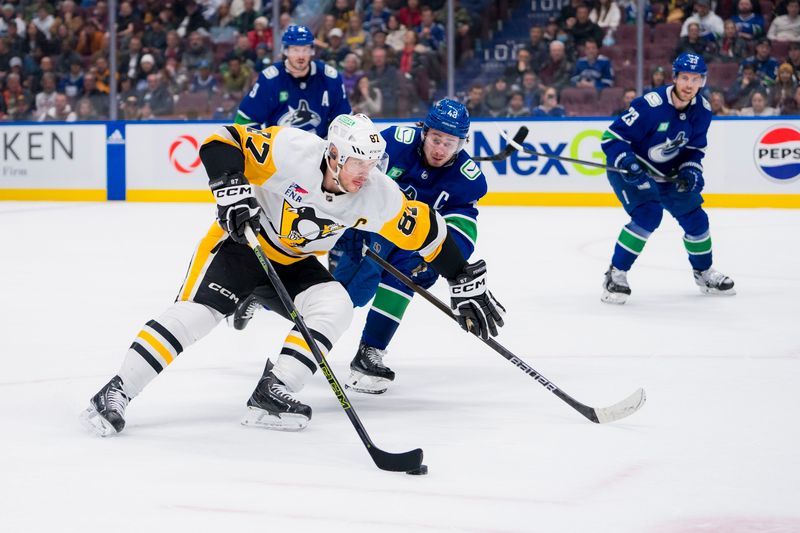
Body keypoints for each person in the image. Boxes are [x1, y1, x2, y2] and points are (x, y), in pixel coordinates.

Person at [80, 113, 506, 436]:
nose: (365, 173)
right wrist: (232, 187)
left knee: (335, 303)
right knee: (196, 316)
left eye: (373, 163)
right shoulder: (292, 150)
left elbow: (428, 234)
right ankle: (116, 391)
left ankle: (273, 391)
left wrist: (462, 277)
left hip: (295, 259)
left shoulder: (376, 194)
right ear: (334, 154)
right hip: (243, 244)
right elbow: (221, 140)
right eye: (358, 161)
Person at [237, 100, 492, 395]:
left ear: (462, 143)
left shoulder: (468, 178)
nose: (440, 149)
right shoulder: (396, 142)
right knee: (344, 299)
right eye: (436, 139)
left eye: (450, 143)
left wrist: (454, 267)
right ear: (424, 131)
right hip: (372, 232)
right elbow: (353, 179)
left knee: (405, 281)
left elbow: (463, 225)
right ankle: (264, 297)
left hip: (413, 243)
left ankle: (370, 353)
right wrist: (345, 233)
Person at [600, 53, 735, 304]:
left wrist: (691, 170)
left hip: (668, 174)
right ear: (674, 78)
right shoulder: (649, 106)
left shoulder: (703, 111)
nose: (689, 85)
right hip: (633, 171)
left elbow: (695, 149)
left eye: (696, 79)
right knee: (648, 215)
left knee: (696, 219)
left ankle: (703, 272)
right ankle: (616, 274)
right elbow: (611, 139)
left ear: (703, 82)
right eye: (684, 78)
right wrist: (627, 162)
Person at [235, 25, 351, 136]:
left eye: (305, 49)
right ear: (285, 51)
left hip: (320, 152)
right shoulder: (270, 80)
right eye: (295, 50)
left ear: (312, 51)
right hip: (280, 153)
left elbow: (345, 123)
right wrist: (264, 148)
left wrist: (329, 148)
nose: (301, 56)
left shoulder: (330, 78)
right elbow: (245, 120)